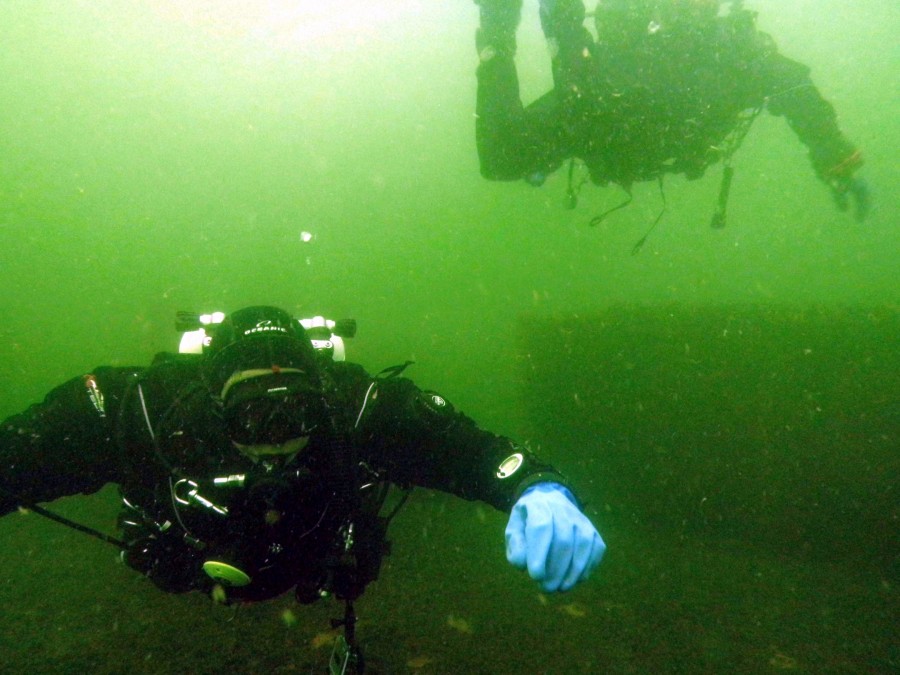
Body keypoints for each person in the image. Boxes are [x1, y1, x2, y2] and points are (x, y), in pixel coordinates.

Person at [0, 305, 605, 673]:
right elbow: (26, 450)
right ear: (215, 406)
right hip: (186, 560)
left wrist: (535, 486)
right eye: (254, 418)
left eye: (296, 415)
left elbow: (468, 450)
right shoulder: (144, 408)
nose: (277, 439)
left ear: (323, 401)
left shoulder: (357, 407)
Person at [474, 0, 869, 234]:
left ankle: (497, 34)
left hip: (609, 132)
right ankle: (496, 37)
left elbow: (793, 88)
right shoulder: (628, 37)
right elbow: (569, 39)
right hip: (596, 126)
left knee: (509, 150)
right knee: (501, 157)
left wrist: (833, 153)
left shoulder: (733, 51)